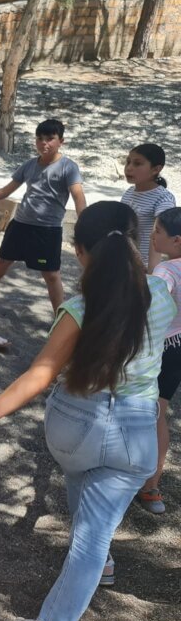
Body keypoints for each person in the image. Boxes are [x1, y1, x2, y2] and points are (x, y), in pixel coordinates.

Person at [0, 202, 175, 621]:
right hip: (138, 433)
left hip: (79, 425)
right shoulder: (162, 292)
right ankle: (97, 567)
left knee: (87, 505)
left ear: (79, 252)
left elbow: (38, 376)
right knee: (98, 525)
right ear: (134, 244)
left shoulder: (77, 309)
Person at [0, 119, 86, 312]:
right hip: (20, 224)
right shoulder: (28, 165)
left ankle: (60, 315)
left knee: (51, 275)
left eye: (50, 138)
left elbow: (78, 195)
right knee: (3, 260)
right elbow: (4, 191)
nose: (44, 143)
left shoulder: (68, 167)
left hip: (47, 231)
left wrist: (85, 222)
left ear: (61, 141)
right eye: (40, 138)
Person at [141, 206, 181, 514]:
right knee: (159, 412)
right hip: (178, 349)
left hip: (159, 346)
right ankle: (151, 487)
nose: (153, 235)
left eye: (158, 231)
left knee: (140, 408)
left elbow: (155, 300)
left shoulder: (167, 271)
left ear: (177, 240)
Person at [120, 143, 174, 272]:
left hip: (144, 267)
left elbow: (159, 234)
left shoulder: (163, 198)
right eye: (128, 162)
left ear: (156, 169)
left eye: (137, 164)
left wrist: (152, 273)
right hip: (124, 262)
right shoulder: (128, 193)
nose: (129, 168)